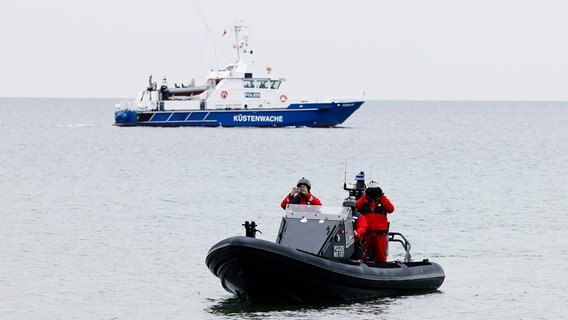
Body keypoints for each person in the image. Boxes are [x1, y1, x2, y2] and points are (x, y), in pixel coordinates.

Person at [356, 180, 395, 263]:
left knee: (381, 256)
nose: (373, 192)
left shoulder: (382, 200)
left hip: (380, 233)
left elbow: (391, 209)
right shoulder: (364, 200)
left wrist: (381, 196)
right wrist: (365, 196)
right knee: (363, 255)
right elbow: (356, 206)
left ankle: (382, 269)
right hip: (366, 233)